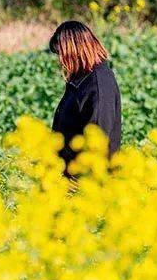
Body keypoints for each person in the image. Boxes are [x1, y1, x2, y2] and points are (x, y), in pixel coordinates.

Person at [49, 21, 122, 175]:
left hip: (86, 180)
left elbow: (97, 141)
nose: (61, 62)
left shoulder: (98, 86)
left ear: (75, 51)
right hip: (70, 176)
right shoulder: (82, 80)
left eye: (62, 55)